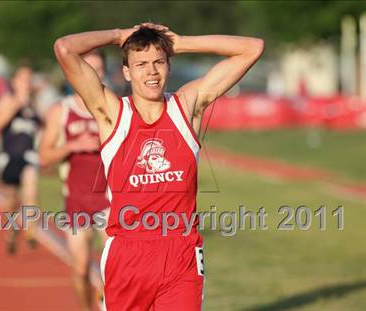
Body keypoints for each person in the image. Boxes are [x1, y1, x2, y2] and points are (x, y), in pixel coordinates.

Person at [54, 23, 264, 310]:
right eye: (140, 64)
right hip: (127, 256)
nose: (151, 72)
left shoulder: (187, 107)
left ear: (169, 65)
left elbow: (253, 48)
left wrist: (181, 42)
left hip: (181, 254)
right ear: (126, 72)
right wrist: (118, 36)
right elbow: (65, 48)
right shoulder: (112, 113)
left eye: (159, 62)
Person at [39, 50, 109, 311]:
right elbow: (44, 158)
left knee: (113, 266)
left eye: (99, 69)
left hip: (110, 200)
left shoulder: (112, 107)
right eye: (89, 69)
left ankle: (107, 304)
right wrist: (73, 145)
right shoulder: (61, 110)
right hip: (76, 202)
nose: (94, 75)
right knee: (80, 270)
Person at [0, 65, 41, 254]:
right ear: (14, 82)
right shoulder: (8, 101)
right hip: (9, 157)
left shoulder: (33, 104)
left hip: (28, 156)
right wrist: (17, 104)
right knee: (12, 200)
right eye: (23, 79)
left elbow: (40, 126)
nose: (26, 83)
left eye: (29, 80)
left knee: (31, 191)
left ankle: (30, 232)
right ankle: (12, 230)